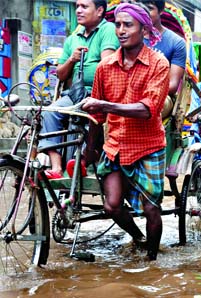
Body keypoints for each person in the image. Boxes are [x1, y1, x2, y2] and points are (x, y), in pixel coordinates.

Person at [82, 2, 170, 261]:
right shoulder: (104, 67)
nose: (120, 30)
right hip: (116, 144)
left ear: (144, 30)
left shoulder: (159, 64)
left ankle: (152, 261)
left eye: (128, 25)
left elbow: (148, 109)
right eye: (117, 24)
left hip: (148, 145)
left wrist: (105, 105)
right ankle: (138, 237)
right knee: (111, 205)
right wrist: (90, 149)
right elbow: (96, 117)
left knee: (151, 209)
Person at [39, 0, 119, 179]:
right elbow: (60, 75)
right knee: (49, 113)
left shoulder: (108, 31)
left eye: (84, 7)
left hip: (97, 93)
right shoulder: (72, 38)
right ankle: (56, 166)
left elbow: (108, 66)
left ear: (99, 11)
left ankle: (83, 159)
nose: (78, 11)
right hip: (74, 93)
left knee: (92, 114)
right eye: (77, 7)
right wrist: (72, 60)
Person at [140, 0, 185, 118]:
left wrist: (144, 91)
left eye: (149, 8)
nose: (144, 12)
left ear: (161, 11)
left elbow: (172, 85)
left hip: (161, 96)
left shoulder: (176, 42)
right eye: (140, 7)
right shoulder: (129, 37)